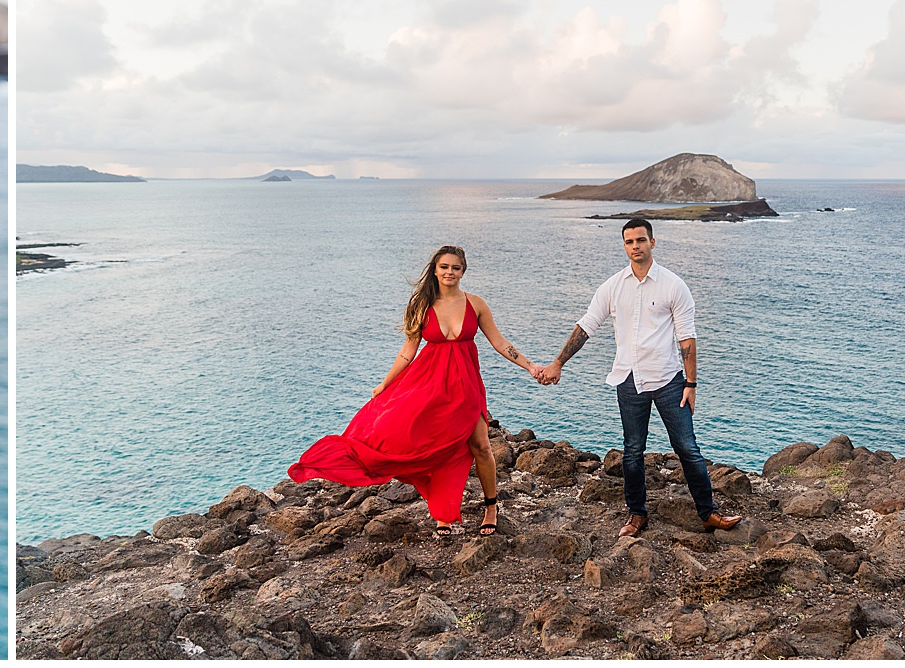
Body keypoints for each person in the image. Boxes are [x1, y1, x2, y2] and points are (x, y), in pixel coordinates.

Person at [290, 245, 540, 537]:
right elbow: (408, 352)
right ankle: (442, 512)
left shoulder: (476, 305)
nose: (449, 272)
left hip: (466, 387)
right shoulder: (421, 305)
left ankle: (491, 507)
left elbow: (499, 343)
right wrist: (385, 383)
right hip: (429, 387)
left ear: (463, 271)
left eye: (455, 268)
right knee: (428, 447)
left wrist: (531, 367)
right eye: (444, 267)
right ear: (435, 269)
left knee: (482, 447)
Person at [538, 218, 743, 538]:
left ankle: (708, 513)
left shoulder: (674, 285)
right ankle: (637, 515)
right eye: (629, 241)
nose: (635, 246)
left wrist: (691, 384)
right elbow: (586, 326)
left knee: (687, 448)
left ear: (652, 242)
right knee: (632, 451)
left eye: (640, 240)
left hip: (668, 380)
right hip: (629, 380)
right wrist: (558, 362)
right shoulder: (612, 286)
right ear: (624, 245)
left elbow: (686, 340)